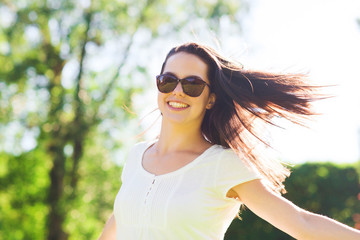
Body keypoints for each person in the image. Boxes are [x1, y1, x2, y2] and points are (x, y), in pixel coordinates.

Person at [98, 42, 360, 240]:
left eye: (192, 84)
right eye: (168, 81)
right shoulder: (136, 157)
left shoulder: (222, 164)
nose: (177, 91)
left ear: (210, 98)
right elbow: (118, 224)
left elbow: (302, 224)